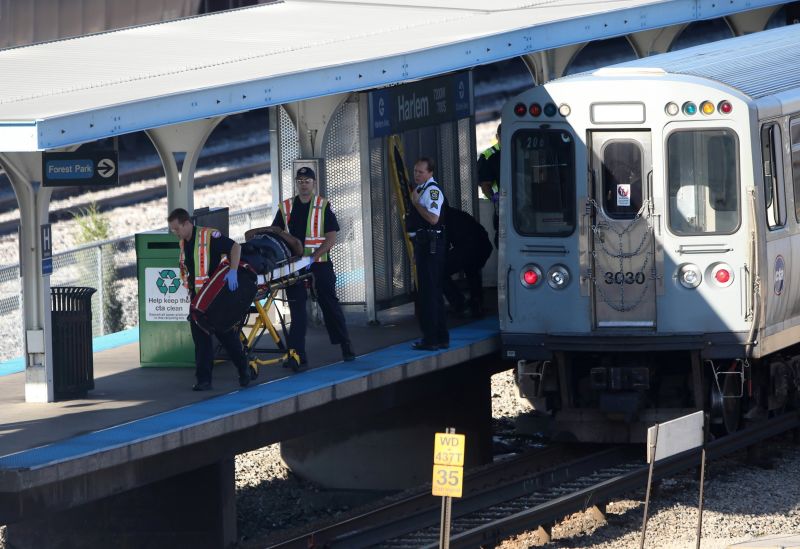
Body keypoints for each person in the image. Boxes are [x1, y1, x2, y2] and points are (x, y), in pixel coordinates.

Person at [271, 166, 355, 369]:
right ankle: (297, 355)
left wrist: (314, 257)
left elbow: (331, 236)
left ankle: (345, 345)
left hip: (320, 263)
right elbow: (276, 230)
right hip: (296, 266)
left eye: (307, 181)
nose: (303, 184)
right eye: (300, 181)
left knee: (329, 304)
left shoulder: (322, 205)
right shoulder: (287, 207)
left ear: (314, 183)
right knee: (297, 309)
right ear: (296, 183)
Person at [167, 208, 251, 391]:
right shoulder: (183, 243)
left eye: (176, 229)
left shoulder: (209, 236)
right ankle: (204, 380)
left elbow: (235, 248)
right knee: (201, 341)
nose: (175, 233)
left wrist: (234, 271)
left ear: (186, 223)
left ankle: (244, 369)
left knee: (226, 336)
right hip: (197, 300)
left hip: (215, 299)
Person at [406, 157, 448, 351]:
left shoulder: (431, 191)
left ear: (430, 173)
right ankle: (439, 337)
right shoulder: (421, 189)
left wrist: (416, 204)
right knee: (432, 293)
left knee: (429, 294)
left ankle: (431, 338)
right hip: (424, 245)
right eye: (415, 171)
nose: (416, 175)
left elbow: (433, 218)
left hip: (430, 247)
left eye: (421, 172)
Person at [443, 206, 492, 318]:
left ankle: (459, 304)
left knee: (440, 272)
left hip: (468, 249)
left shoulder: (443, 218)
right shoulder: (459, 214)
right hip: (484, 246)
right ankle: (477, 302)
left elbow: (444, 245)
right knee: (472, 270)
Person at [477, 123, 501, 248]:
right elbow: (484, 184)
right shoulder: (489, 156)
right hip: (499, 206)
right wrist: (494, 198)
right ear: (497, 137)